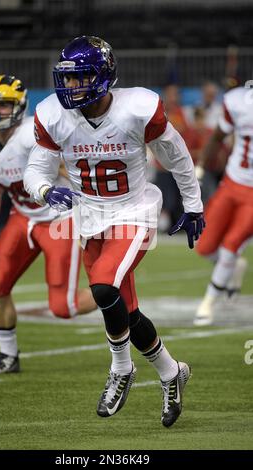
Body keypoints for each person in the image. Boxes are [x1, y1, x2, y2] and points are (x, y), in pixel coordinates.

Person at [24, 36, 205, 427]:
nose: (70, 87)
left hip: (134, 210)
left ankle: (121, 368)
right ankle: (173, 372)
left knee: (103, 286)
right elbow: (34, 171)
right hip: (89, 217)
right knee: (126, 310)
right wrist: (44, 189)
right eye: (67, 79)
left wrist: (193, 204)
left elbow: (178, 157)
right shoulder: (53, 115)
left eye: (79, 78)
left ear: (103, 76)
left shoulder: (137, 108)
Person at [0, 74, 96, 374]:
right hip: (23, 216)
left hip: (58, 220)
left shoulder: (33, 134)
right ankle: (7, 357)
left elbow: (76, 169)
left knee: (64, 308)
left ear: (20, 107)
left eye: (4, 106)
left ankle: (114, 291)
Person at [194, 84, 252, 326]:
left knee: (230, 246)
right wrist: (201, 166)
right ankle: (233, 266)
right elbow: (218, 135)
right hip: (232, 182)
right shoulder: (238, 101)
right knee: (204, 245)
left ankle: (208, 301)